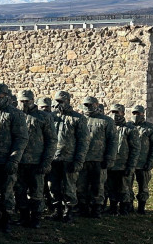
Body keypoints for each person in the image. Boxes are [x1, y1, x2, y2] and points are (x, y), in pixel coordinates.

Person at [0, 83, 26, 232]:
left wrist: (14, 159)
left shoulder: (15, 114)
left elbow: (21, 138)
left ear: (6, 96)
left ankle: (6, 220)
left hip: (6, 160)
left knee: (7, 192)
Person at [16, 90, 54, 228]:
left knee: (36, 192)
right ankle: (23, 216)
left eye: (27, 100)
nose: (24, 103)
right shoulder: (16, 115)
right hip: (19, 161)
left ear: (33, 100)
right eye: (22, 101)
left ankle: (36, 218)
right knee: (19, 191)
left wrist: (46, 161)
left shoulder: (44, 117)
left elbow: (51, 141)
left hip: (36, 162)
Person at [49, 90, 87, 222]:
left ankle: (68, 211)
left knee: (69, 186)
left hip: (69, 158)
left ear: (67, 101)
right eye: (56, 101)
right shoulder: (51, 117)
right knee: (53, 186)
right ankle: (57, 210)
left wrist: (79, 160)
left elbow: (83, 141)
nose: (58, 104)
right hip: (53, 159)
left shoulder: (78, 118)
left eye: (61, 101)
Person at [79, 96, 117, 218]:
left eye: (90, 104)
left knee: (98, 186)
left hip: (98, 159)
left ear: (96, 105)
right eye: (86, 104)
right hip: (82, 159)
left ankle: (97, 209)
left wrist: (109, 158)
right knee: (81, 185)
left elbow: (113, 141)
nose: (88, 107)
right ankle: (83, 208)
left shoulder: (106, 121)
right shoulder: (80, 119)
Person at [106, 103, 138, 215]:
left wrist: (131, 165)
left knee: (124, 188)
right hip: (111, 164)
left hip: (123, 164)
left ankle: (125, 208)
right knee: (111, 187)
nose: (114, 115)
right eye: (112, 112)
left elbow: (135, 149)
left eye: (117, 112)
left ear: (123, 113)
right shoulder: (109, 128)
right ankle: (113, 208)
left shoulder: (130, 129)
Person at [131, 104, 153, 214]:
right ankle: (128, 206)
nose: (135, 115)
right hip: (129, 162)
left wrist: (151, 161)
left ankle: (141, 208)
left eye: (138, 113)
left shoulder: (150, 128)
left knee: (143, 187)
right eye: (134, 113)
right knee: (126, 186)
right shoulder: (128, 126)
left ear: (143, 114)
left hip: (143, 163)